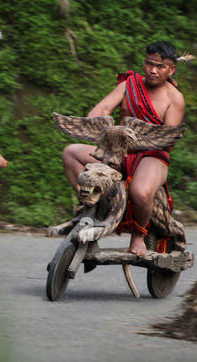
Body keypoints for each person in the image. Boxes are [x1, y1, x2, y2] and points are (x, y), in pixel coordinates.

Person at [61, 41, 188, 256]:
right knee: (71, 153)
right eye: (149, 64)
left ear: (171, 69)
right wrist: (98, 124)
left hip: (152, 155)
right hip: (117, 150)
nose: (153, 70)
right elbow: (101, 110)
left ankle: (139, 235)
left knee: (140, 191)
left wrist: (139, 140)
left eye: (160, 67)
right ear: (144, 62)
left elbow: (168, 140)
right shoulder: (128, 85)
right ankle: (92, 210)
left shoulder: (175, 99)